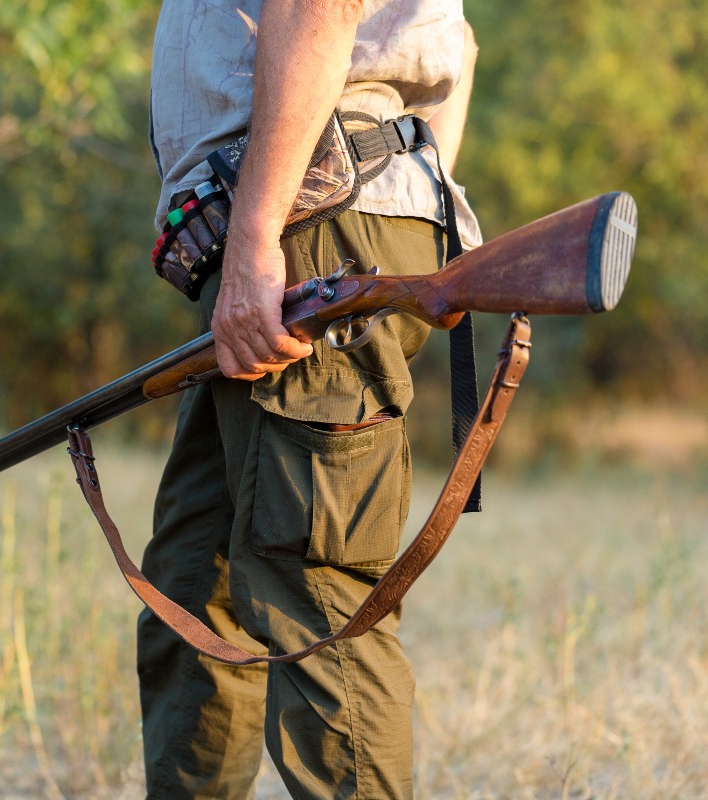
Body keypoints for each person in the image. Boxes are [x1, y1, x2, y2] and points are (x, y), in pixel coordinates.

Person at [139, 1, 480, 797]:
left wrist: (259, 237)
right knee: (198, 588)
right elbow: (456, 46)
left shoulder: (281, 230)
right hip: (312, 219)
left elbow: (316, 7)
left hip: (303, 224)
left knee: (316, 587)